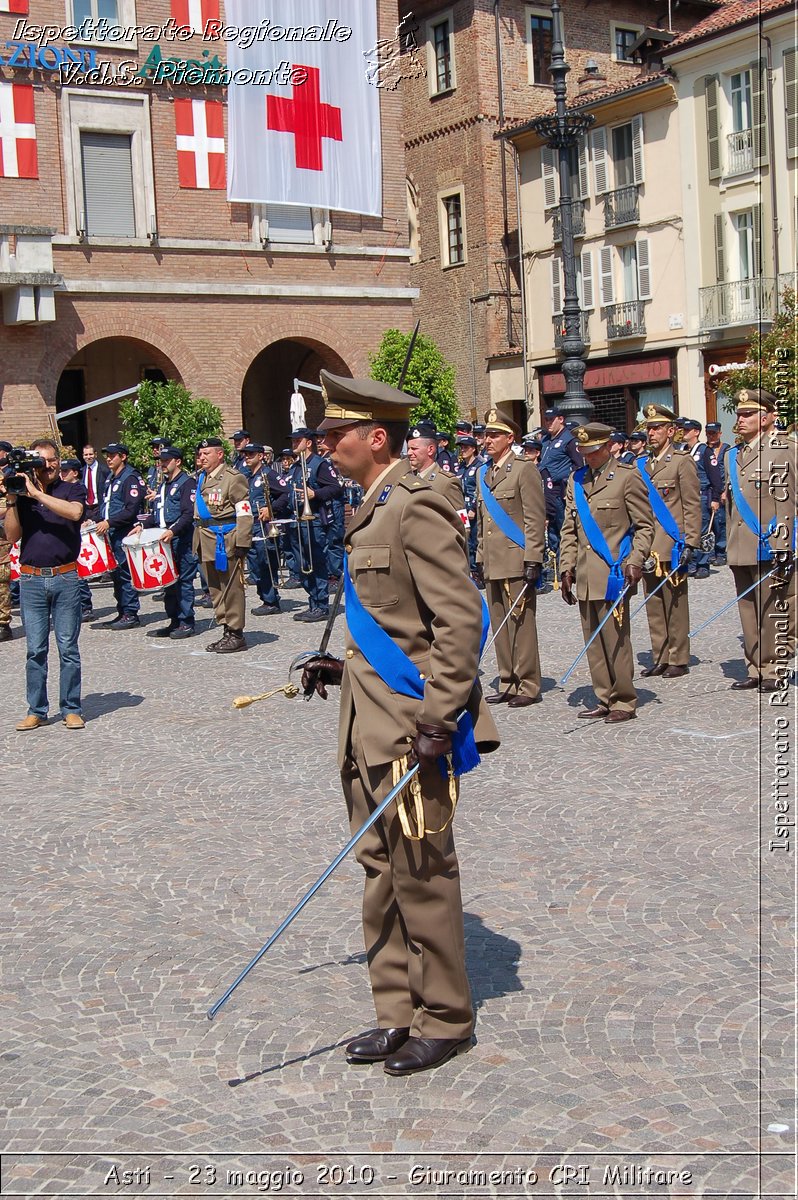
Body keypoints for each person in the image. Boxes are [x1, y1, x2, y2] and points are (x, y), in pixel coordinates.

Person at [301, 369, 500, 1076]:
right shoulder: (368, 508)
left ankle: (444, 1016)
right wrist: (343, 668)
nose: (325, 444)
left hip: (412, 724)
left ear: (373, 436)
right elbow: (391, 622)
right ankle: (396, 1012)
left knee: (422, 871)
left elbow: (459, 620)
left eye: (335, 434)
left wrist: (441, 717)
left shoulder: (413, 505)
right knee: (380, 870)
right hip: (367, 721)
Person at [559, 423, 654, 723]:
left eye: (593, 451)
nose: (587, 457)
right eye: (583, 452)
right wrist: (565, 567)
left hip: (614, 573)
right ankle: (603, 696)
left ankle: (624, 700)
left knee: (616, 640)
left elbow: (644, 526)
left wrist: (635, 561)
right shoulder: (576, 481)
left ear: (607, 446)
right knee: (594, 641)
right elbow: (569, 530)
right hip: (586, 575)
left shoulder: (626, 478)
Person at [4, 439, 86, 730]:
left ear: (59, 461)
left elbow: (75, 513)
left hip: (66, 577)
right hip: (31, 579)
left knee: (68, 648)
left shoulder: (72, 488)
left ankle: (71, 708)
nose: (47, 465)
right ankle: (36, 710)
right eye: (40, 461)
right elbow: (13, 536)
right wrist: (13, 499)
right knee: (35, 649)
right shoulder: (23, 495)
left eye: (51, 460)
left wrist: (37, 493)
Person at [725, 388, 796, 693]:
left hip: (769, 543)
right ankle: (755, 666)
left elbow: (788, 502)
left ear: (767, 417)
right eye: (739, 415)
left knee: (773, 608)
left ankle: (774, 667)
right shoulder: (736, 454)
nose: (740, 420)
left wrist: (784, 545)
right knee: (749, 610)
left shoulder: (782, 450)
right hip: (741, 544)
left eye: (748, 414)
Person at [476, 408, 545, 708]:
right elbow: (483, 521)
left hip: (516, 558)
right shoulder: (484, 473)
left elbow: (533, 517)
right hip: (493, 560)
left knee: (521, 623)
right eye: (486, 435)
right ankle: (508, 679)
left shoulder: (522, 469)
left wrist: (534, 558)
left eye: (494, 435)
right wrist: (480, 555)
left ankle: (527, 683)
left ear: (510, 437)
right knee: (500, 623)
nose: (487, 440)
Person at [637, 405, 702, 678]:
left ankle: (678, 656)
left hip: (672, 543)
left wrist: (691, 542)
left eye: (657, 428)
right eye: (649, 429)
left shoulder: (680, 461)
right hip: (648, 545)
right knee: (653, 602)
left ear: (671, 431)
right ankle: (660, 654)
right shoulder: (642, 464)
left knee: (675, 602)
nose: (651, 433)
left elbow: (691, 504)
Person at [193, 436, 253, 652]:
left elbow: (245, 512)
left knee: (231, 588)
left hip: (226, 541)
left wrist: (243, 541)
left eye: (206, 454)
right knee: (216, 589)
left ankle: (236, 633)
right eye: (200, 454)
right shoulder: (202, 478)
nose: (202, 457)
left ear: (219, 454)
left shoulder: (233, 478)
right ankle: (226, 628)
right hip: (206, 540)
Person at [134, 447, 198, 639]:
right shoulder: (164, 485)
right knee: (169, 583)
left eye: (166, 460)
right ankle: (174, 620)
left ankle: (186, 621)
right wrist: (142, 525)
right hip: (164, 541)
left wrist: (173, 530)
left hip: (181, 540)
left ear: (177, 461)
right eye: (161, 460)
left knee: (184, 582)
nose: (162, 464)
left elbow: (188, 514)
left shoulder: (187, 483)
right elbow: (158, 514)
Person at [288, 428, 342, 623]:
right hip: (297, 521)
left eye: (297, 441)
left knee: (317, 562)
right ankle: (312, 601)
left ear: (308, 443)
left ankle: (321, 604)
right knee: (302, 565)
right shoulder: (295, 466)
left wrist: (315, 494)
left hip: (315, 522)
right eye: (293, 441)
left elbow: (335, 487)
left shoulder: (319, 465)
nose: (293, 444)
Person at [94, 443, 143, 629]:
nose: (109, 458)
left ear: (123, 457)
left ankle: (131, 613)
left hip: (123, 531)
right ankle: (122, 610)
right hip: (111, 532)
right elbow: (106, 505)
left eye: (113, 455)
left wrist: (109, 522)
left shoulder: (130, 477)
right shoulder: (110, 478)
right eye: (107, 455)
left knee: (124, 573)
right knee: (116, 574)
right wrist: (97, 520)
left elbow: (131, 510)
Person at [242, 442, 285, 617]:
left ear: (260, 456)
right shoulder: (247, 476)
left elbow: (285, 493)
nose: (247, 457)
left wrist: (271, 508)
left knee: (265, 561)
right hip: (250, 524)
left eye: (251, 454)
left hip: (264, 525)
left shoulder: (269, 474)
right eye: (245, 454)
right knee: (255, 564)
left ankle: (271, 600)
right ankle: (265, 597)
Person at [539, 405, 583, 560]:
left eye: (552, 420)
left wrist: (568, 487)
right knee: (551, 530)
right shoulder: (545, 440)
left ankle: (566, 563)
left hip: (560, 491)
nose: (548, 423)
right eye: (547, 420)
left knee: (563, 528)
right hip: (546, 492)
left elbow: (579, 466)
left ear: (561, 419)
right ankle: (555, 565)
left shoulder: (569, 439)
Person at [680, 419, 722, 579]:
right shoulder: (683, 450)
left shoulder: (705, 451)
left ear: (696, 432)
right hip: (685, 496)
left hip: (702, 495)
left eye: (687, 430)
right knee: (688, 530)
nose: (683, 433)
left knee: (703, 530)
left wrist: (716, 497)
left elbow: (715, 476)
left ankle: (703, 564)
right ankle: (691, 563)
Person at [60, 458, 94, 623]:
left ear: (75, 472)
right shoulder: (61, 488)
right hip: (66, 534)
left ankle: (85, 606)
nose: (62, 474)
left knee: (80, 574)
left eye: (66, 471)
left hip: (77, 533)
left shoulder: (78, 488)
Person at [406, 421, 465, 513]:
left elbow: (461, 521)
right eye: (408, 449)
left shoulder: (447, 482)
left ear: (430, 450)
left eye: (414, 449)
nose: (409, 453)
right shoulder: (409, 478)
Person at [705, 422, 730, 564]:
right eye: (709, 433)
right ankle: (710, 551)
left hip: (720, 489)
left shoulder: (726, 449)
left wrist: (725, 490)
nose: (711, 436)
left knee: (720, 521)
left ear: (720, 433)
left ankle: (721, 551)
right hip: (707, 489)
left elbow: (728, 472)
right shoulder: (703, 449)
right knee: (708, 521)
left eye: (714, 433)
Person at [81, 443, 110, 522]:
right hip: (87, 509)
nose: (88, 457)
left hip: (99, 507)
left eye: (90, 454)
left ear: (95, 455)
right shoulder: (82, 471)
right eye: (86, 455)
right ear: (83, 456)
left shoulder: (104, 470)